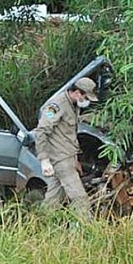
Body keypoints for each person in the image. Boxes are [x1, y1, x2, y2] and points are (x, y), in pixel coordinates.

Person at [34, 77, 98, 219]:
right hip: (61, 159)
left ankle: (40, 224)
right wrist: (44, 159)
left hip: (67, 158)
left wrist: (75, 160)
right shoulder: (57, 105)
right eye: (85, 97)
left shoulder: (73, 106)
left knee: (53, 199)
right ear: (76, 92)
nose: (86, 101)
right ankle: (88, 233)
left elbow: (68, 137)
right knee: (80, 200)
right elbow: (42, 131)